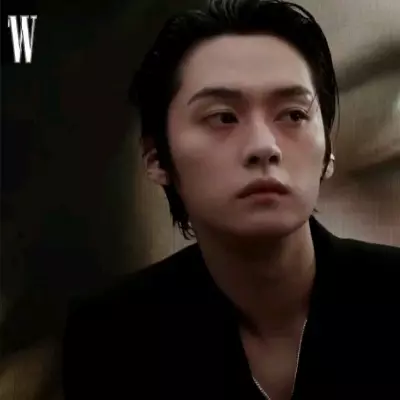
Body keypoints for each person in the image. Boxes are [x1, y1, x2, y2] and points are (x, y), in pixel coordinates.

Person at [62, 0, 400, 399]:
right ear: (157, 161)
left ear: (326, 151)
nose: (264, 146)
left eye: (294, 115)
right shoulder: (107, 337)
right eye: (222, 118)